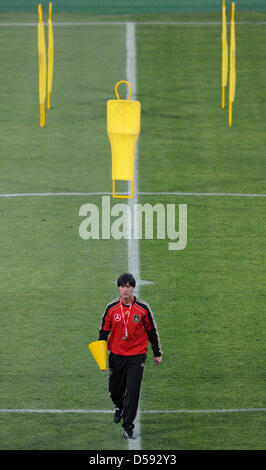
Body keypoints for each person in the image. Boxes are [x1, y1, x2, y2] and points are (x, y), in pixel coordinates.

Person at [98, 272, 162, 439]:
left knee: (133, 393)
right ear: (118, 288)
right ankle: (119, 407)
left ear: (133, 288)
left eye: (128, 286)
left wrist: (157, 353)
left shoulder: (142, 308)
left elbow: (151, 331)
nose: (125, 290)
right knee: (114, 391)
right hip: (116, 356)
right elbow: (103, 332)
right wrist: (100, 355)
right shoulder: (111, 308)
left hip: (136, 356)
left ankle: (128, 427)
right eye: (122, 286)